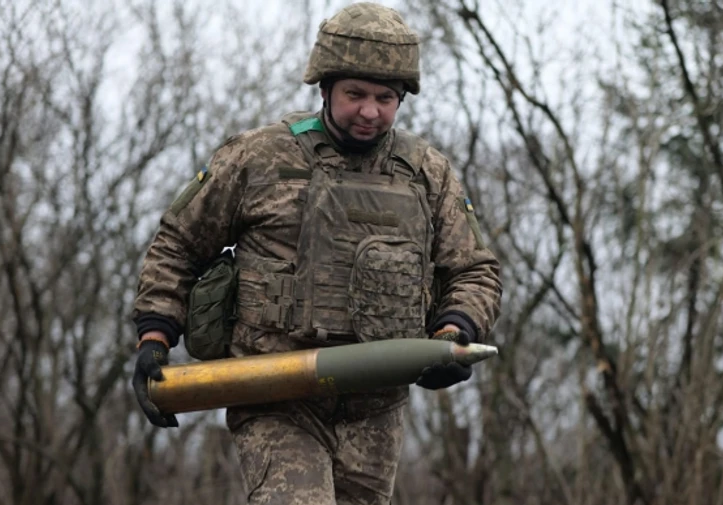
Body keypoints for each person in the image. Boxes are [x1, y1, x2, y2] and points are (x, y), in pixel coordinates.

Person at [130, 3, 502, 504]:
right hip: (275, 394)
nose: (370, 111)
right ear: (324, 88)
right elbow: (178, 243)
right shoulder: (259, 157)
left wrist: (456, 332)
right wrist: (155, 335)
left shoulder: (427, 173)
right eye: (355, 95)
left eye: (385, 98)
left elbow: (475, 270)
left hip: (375, 409)